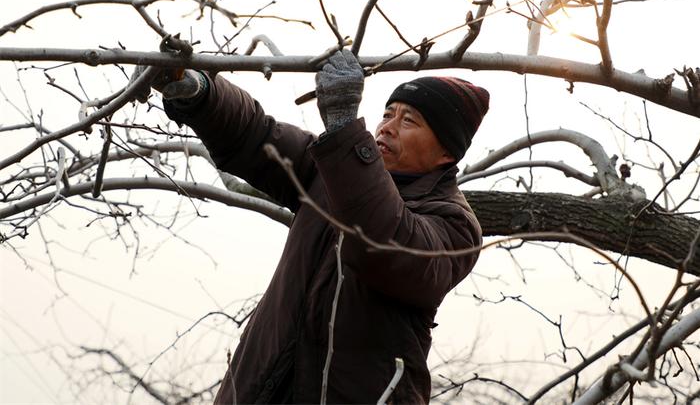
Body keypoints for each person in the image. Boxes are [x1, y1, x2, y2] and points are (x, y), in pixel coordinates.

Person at [133, 50, 489, 404]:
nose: (387, 127)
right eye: (387, 114)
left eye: (409, 121)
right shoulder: (328, 172)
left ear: (447, 152)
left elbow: (383, 242)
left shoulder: (455, 226)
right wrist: (200, 92)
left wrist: (344, 128)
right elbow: (256, 136)